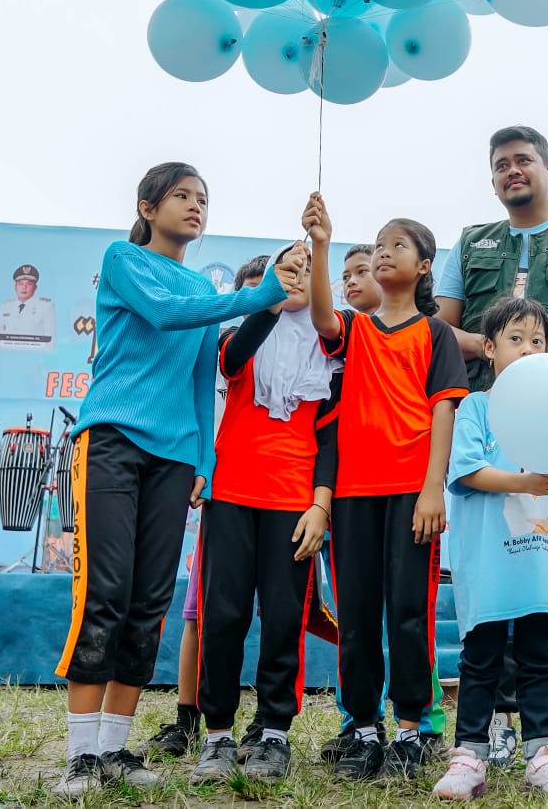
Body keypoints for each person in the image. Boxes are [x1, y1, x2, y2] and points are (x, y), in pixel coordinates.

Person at [53, 163, 299, 797]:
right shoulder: (124, 260)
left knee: (149, 604)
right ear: (147, 206)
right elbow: (163, 314)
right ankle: (80, 755)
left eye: (203, 199)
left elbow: (198, 383)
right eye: (182, 196)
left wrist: (203, 464)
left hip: (174, 461)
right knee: (105, 594)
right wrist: (262, 293)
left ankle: (113, 748)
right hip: (110, 440)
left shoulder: (196, 285)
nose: (195, 207)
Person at [434, 125, 548, 764]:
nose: (513, 171)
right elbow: (441, 327)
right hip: (494, 419)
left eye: (523, 161)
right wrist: (495, 345)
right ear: (492, 177)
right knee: (501, 563)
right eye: (501, 164)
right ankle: (502, 719)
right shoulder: (471, 243)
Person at [304, 197, 470, 782]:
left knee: (407, 612)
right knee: (355, 615)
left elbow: (444, 414)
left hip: (410, 491)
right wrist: (322, 244)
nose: (382, 253)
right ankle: (363, 726)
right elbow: (322, 315)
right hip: (351, 494)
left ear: (425, 265)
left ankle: (410, 729)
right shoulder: (355, 329)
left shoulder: (435, 334)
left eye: (397, 244)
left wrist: (432, 490)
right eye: (377, 245)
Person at [430, 296, 548, 801]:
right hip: (488, 564)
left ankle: (542, 755)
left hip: (537, 561)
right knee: (480, 658)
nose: (529, 349)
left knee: (536, 657)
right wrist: (524, 482)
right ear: (488, 348)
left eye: (537, 340)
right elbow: (465, 471)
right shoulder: (477, 408)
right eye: (515, 339)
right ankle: (469, 756)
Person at [190, 242, 339, 783]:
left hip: (293, 501)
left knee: (283, 619)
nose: (297, 278)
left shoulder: (330, 349)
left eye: (305, 272)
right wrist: (269, 298)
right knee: (222, 615)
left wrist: (321, 504)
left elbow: (330, 436)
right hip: (229, 493)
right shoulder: (241, 335)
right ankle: (218, 736)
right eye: (288, 270)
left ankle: (274, 735)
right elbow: (228, 362)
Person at [146, 254, 275, 764]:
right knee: (203, 611)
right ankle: (188, 718)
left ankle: (267, 724)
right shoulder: (221, 349)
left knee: (275, 613)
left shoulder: (295, 351)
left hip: (278, 498)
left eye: (265, 298)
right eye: (246, 299)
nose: (254, 310)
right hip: (222, 494)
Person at [0, 263, 57, 347]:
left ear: (35, 287)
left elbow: (50, 340)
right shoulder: (5, 306)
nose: (24, 288)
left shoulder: (46, 307)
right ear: (15, 287)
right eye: (21, 284)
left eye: (29, 284)